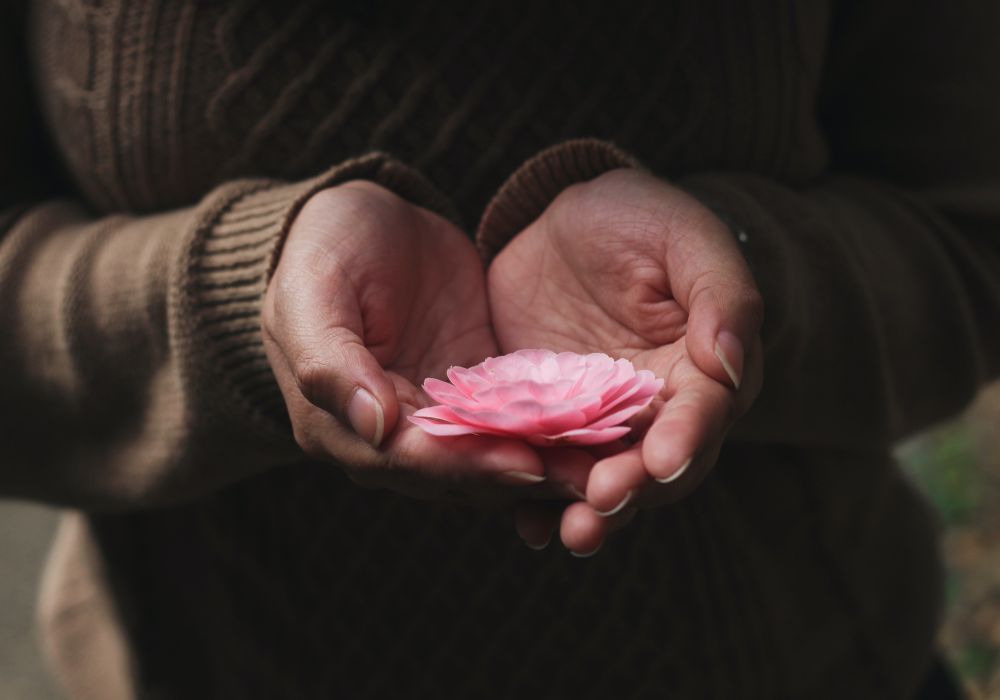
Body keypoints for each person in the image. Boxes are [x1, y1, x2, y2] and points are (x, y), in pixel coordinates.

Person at [1, 0, 995, 697]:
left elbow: (970, 237)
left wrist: (739, 274)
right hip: (194, 665)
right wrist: (237, 303)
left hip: (807, 663)